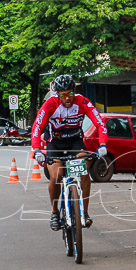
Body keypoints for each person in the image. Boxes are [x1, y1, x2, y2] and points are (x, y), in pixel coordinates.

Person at [31, 74, 108, 232]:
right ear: (57, 94)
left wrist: (102, 144)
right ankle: (54, 212)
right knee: (56, 176)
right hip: (55, 144)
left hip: (75, 142)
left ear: (74, 90)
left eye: (70, 93)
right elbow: (36, 128)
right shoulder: (50, 104)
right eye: (63, 95)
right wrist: (37, 150)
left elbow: (100, 123)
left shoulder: (83, 102)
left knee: (84, 172)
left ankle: (84, 213)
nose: (67, 98)